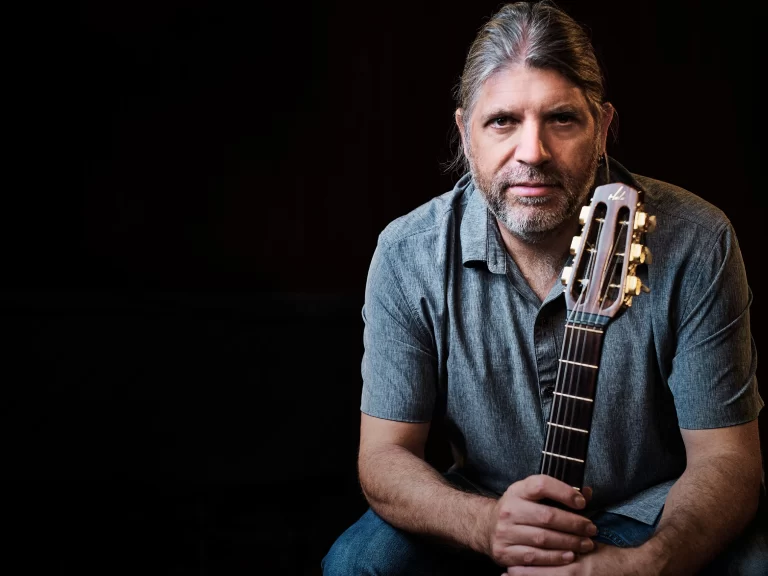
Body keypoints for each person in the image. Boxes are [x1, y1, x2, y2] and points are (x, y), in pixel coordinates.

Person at [322, 1, 766, 574]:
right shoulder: (410, 253)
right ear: (465, 133)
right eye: (503, 121)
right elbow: (384, 456)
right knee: (357, 563)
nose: (532, 152)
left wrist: (649, 564)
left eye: (561, 119)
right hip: (488, 507)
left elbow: (727, 459)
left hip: (650, 513)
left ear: (602, 128)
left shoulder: (698, 239)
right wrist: (486, 525)